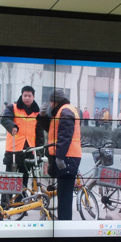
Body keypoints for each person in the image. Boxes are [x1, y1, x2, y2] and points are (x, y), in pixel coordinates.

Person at [37, 89, 81, 220]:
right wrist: (42, 116)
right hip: (68, 157)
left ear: (54, 101)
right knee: (63, 195)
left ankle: (65, 224)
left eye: (50, 102)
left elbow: (65, 136)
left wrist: (60, 157)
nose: (50, 105)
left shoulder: (65, 111)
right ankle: (63, 222)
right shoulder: (62, 111)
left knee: (65, 196)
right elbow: (52, 130)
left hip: (68, 158)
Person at [0, 85, 44, 186]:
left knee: (24, 179)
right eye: (25, 95)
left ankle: (22, 196)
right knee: (9, 179)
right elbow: (5, 119)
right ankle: (6, 197)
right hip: (14, 149)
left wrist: (40, 153)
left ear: (33, 97)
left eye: (29, 96)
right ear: (22, 95)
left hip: (29, 150)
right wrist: (12, 126)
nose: (27, 98)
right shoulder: (13, 107)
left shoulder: (37, 113)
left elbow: (40, 134)